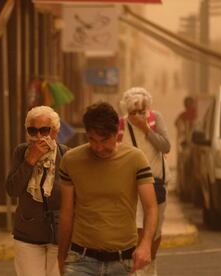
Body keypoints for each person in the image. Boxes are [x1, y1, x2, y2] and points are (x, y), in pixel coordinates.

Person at [57, 102, 158, 276]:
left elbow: (151, 207)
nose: (98, 147)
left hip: (123, 262)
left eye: (104, 140)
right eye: (92, 140)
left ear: (116, 133)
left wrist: (146, 244)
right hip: (80, 260)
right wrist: (61, 257)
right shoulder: (71, 160)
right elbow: (66, 212)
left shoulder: (135, 159)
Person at [6, 105, 69, 276]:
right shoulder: (22, 152)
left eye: (44, 130)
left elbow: (70, 197)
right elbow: (12, 189)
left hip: (58, 234)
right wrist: (30, 160)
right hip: (28, 233)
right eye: (33, 131)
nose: (39, 136)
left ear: (55, 131)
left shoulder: (66, 156)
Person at [118, 87, 171, 276]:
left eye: (142, 111)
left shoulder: (155, 119)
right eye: (134, 112)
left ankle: (150, 263)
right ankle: (137, 269)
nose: (138, 116)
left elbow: (166, 146)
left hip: (156, 182)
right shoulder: (121, 124)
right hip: (131, 185)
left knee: (155, 230)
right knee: (138, 228)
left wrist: (146, 129)